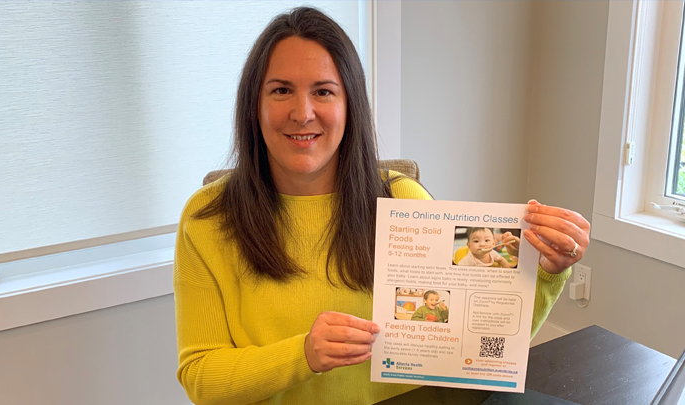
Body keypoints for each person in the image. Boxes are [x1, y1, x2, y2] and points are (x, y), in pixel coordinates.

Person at [173, 7, 591, 405]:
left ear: (350, 105)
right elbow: (201, 376)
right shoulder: (207, 220)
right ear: (254, 106)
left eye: (323, 91)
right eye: (281, 90)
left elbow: (477, 349)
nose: (303, 113)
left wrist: (550, 273)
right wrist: (302, 355)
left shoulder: (403, 200)